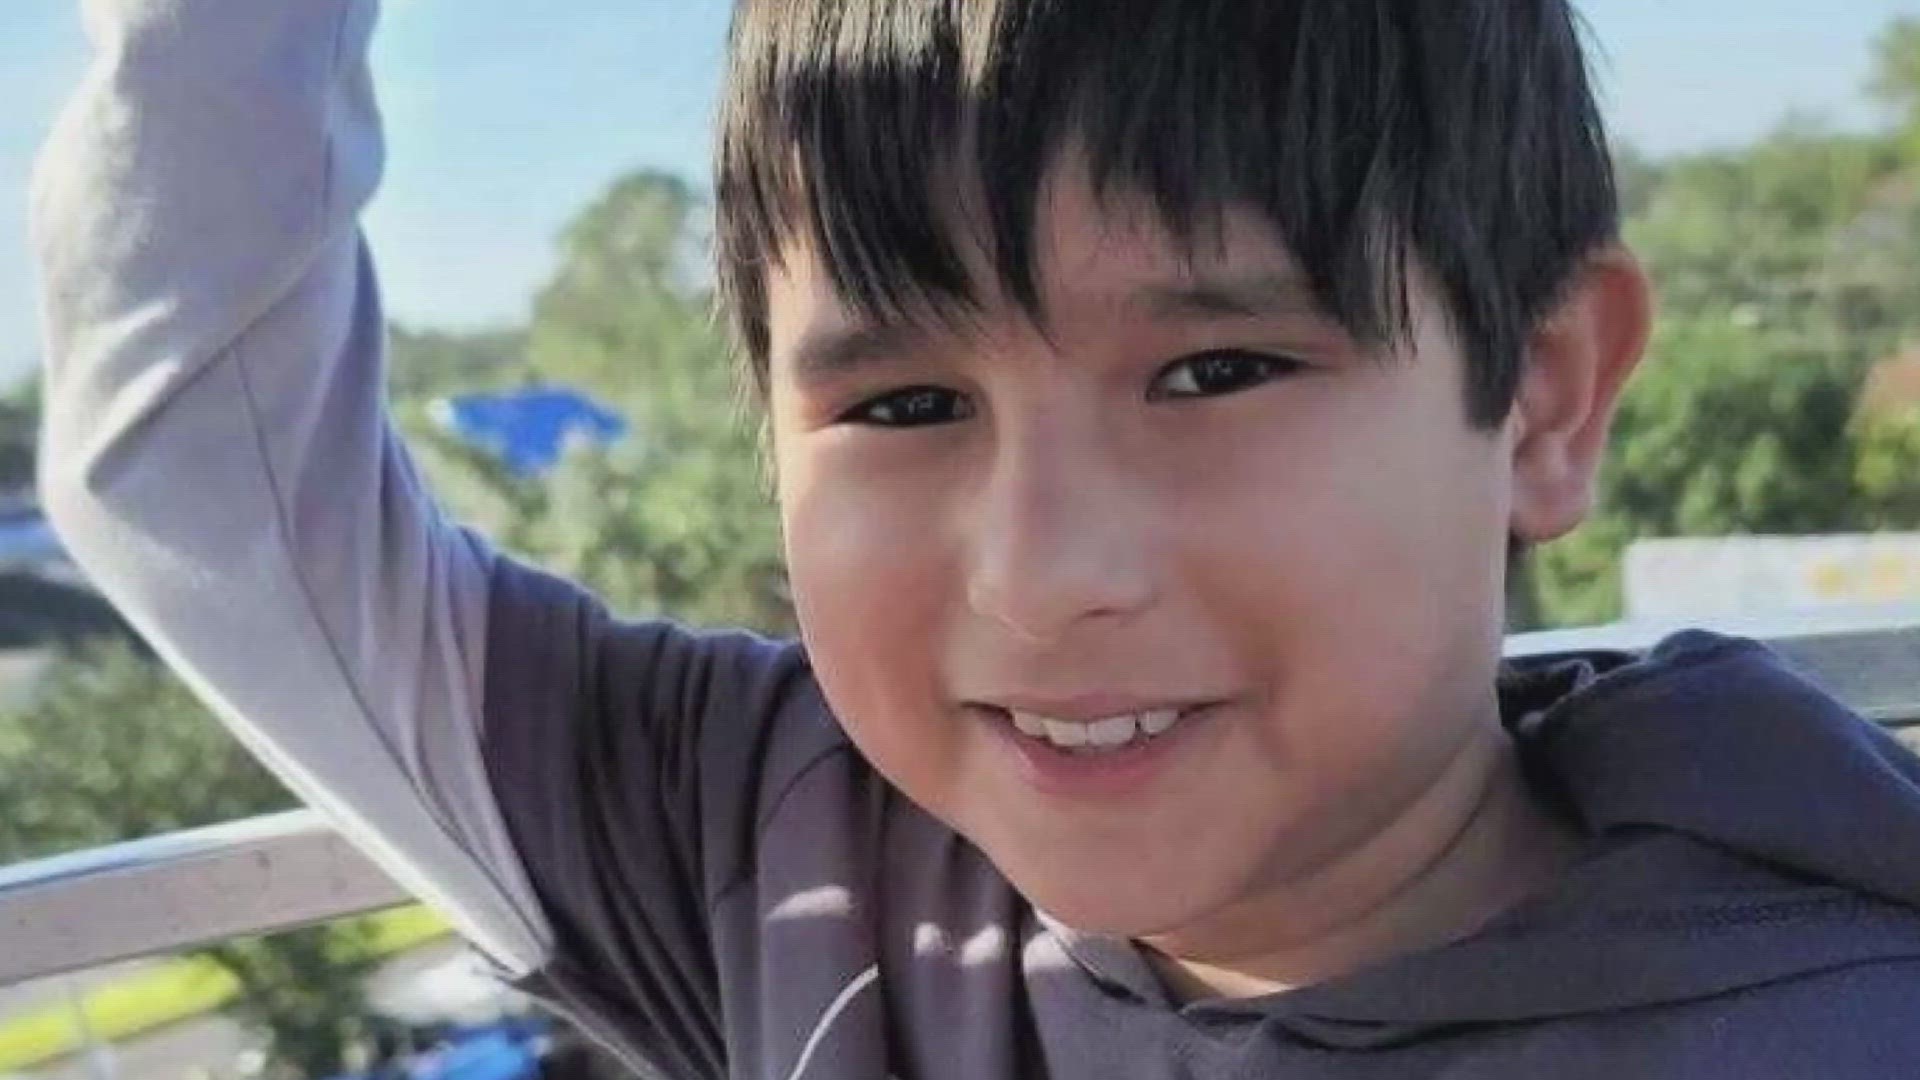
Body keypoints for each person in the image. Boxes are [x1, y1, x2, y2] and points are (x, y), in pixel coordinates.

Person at [31, 0, 1920, 1077]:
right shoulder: (761, 840)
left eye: (1219, 368)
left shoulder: (1823, 1021)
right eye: (903, 407)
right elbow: (210, 462)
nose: (1043, 571)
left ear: (1546, 398)